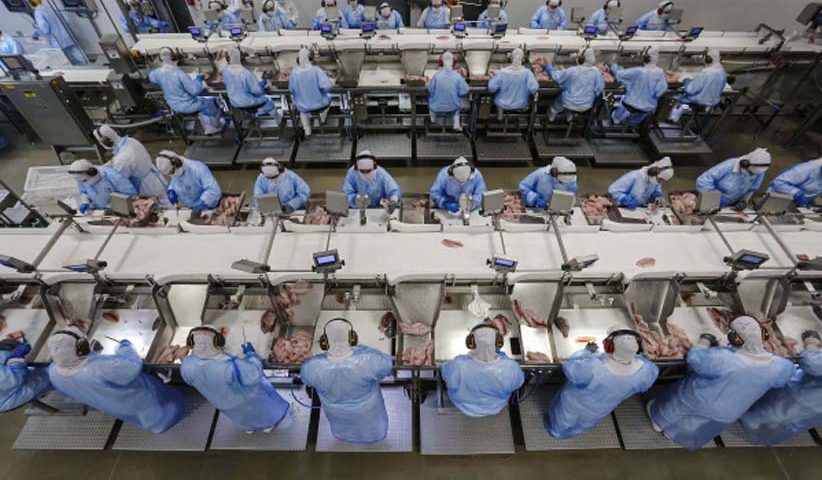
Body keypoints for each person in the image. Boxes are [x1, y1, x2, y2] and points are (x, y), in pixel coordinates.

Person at [647, 316, 794, 451]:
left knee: (674, 408)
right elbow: (786, 375)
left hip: (698, 398)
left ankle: (658, 422)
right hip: (729, 410)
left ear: (736, 339)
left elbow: (695, 360)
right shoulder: (779, 366)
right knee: (697, 424)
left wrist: (704, 342)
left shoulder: (724, 359)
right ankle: (674, 434)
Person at [47, 326, 185, 434]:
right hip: (138, 400)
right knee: (170, 406)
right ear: (80, 349)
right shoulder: (98, 369)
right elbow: (132, 366)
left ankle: (155, 424)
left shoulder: (53, 372)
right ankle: (161, 424)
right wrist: (125, 346)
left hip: (114, 406)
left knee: (142, 415)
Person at [546, 328, 658, 438]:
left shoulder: (594, 368)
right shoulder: (646, 370)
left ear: (609, 346)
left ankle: (556, 431)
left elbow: (570, 368)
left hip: (574, 404)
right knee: (584, 423)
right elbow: (643, 385)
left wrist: (586, 352)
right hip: (600, 409)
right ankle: (572, 433)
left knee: (562, 419)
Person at [181, 326, 289, 433]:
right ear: (216, 342)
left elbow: (189, 380)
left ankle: (250, 428)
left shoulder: (186, 365)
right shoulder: (228, 366)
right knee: (264, 413)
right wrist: (251, 354)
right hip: (248, 399)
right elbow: (254, 374)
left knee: (244, 419)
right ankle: (269, 425)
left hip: (224, 404)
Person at [300, 319, 393, 444]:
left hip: (337, 413)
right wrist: (361, 349)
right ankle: (374, 437)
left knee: (344, 429)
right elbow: (387, 365)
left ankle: (345, 437)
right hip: (367, 410)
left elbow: (306, 379)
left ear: (324, 342)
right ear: (352, 339)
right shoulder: (368, 360)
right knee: (372, 429)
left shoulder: (312, 367)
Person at [740, 331, 822, 445]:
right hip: (793, 421)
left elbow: (813, 364)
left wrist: (811, 342)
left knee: (758, 416)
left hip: (778, 410)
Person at [441, 325, 524, 417]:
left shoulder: (458, 365)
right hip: (495, 406)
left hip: (464, 405)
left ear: (470, 342)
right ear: (498, 342)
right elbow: (517, 384)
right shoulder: (511, 367)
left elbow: (445, 373)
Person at [148, 47, 224, 136]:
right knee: (211, 101)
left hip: (173, 105)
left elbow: (152, 78)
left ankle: (202, 124)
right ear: (174, 58)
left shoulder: (156, 73)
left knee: (204, 100)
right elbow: (194, 91)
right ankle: (211, 128)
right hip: (187, 105)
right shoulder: (179, 74)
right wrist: (199, 80)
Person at [93, 125, 171, 209]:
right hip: (155, 178)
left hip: (146, 188)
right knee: (167, 203)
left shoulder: (122, 159)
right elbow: (117, 160)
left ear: (105, 141)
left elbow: (119, 181)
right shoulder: (130, 141)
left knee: (160, 209)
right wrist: (103, 167)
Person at [609, 45, 668, 126]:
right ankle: (631, 124)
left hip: (630, 104)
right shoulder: (660, 73)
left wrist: (613, 65)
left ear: (645, 58)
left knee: (623, 99)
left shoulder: (639, 71)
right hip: (648, 108)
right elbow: (660, 91)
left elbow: (619, 74)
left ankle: (616, 119)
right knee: (639, 115)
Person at [696, 148, 771, 209]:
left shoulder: (759, 172)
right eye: (750, 173)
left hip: (731, 206)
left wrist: (744, 201)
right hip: (709, 202)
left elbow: (752, 189)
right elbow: (702, 181)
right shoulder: (729, 165)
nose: (751, 175)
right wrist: (716, 197)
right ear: (744, 164)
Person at [544, 47, 605, 122]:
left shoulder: (572, 70)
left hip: (568, 102)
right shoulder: (597, 73)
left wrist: (548, 66)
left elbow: (556, 77)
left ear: (581, 60)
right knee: (571, 104)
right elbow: (600, 88)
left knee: (559, 102)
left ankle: (552, 114)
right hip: (587, 105)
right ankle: (569, 116)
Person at [221, 47, 281, 120]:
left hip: (235, 103)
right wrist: (263, 83)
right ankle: (278, 119)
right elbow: (257, 91)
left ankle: (253, 117)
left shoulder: (225, 71)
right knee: (268, 100)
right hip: (249, 103)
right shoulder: (247, 74)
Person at [670, 49, 727, 121]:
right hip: (713, 103)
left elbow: (690, 90)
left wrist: (686, 80)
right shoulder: (722, 72)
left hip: (698, 101)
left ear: (708, 59)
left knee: (674, 96)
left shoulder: (706, 73)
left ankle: (672, 119)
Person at [289, 48, 334, 137]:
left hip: (302, 106)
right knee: (329, 97)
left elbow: (291, 90)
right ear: (310, 59)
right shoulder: (316, 70)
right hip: (320, 104)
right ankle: (322, 119)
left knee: (303, 111)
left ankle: (307, 130)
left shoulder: (294, 72)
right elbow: (327, 87)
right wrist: (332, 80)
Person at [155, 151, 222, 211]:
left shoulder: (198, 168)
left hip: (208, 206)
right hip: (191, 207)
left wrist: (203, 202)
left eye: (171, 172)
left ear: (177, 162)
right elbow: (174, 181)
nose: (172, 175)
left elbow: (214, 190)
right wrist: (171, 190)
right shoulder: (174, 171)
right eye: (169, 174)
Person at [0, 338, 51, 413]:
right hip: (10, 394)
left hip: (10, 381)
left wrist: (6, 351)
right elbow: (15, 378)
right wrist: (17, 357)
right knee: (52, 372)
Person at [69, 159, 138, 214]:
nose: (83, 183)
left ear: (92, 172)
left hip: (121, 212)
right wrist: (85, 201)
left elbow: (131, 195)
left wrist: (117, 205)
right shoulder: (81, 179)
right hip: (101, 212)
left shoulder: (113, 177)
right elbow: (83, 191)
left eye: (84, 180)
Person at [488, 48, 539, 120]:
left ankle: (500, 117)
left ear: (511, 58)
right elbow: (534, 88)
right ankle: (520, 120)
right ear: (522, 59)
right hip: (521, 103)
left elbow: (491, 88)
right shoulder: (527, 73)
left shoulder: (502, 72)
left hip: (503, 104)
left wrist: (492, 78)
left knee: (498, 99)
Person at [32, 0, 87, 66]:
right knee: (80, 59)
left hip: (57, 40)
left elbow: (44, 28)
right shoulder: (50, 7)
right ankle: (87, 69)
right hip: (66, 36)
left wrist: (36, 34)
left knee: (66, 62)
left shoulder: (38, 12)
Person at [608, 156, 674, 209]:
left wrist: (657, 197)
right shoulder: (634, 176)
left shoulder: (655, 182)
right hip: (621, 208)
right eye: (660, 179)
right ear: (653, 172)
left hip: (640, 210)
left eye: (662, 180)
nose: (660, 182)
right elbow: (612, 191)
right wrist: (623, 198)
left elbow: (657, 192)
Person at [428, 51, 469, 132]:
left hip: (436, 108)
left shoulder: (436, 75)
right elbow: (465, 91)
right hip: (453, 108)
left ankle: (433, 119)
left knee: (430, 100)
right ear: (453, 63)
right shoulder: (457, 76)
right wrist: (457, 93)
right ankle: (456, 125)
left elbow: (430, 90)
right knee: (456, 107)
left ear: (441, 62)